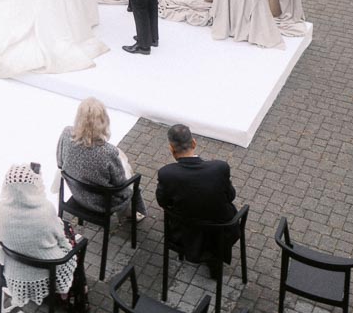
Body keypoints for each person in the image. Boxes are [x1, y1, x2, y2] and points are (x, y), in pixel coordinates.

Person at [155, 123, 238, 273]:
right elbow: (230, 196)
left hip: (184, 229)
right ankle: (215, 264)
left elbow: (163, 202)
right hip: (220, 230)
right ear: (194, 143)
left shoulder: (166, 174)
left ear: (171, 149)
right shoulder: (219, 168)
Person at [0, 163, 77, 312]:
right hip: (48, 268)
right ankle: (72, 292)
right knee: (74, 241)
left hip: (15, 268)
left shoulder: (1, 209)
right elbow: (60, 239)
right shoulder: (45, 210)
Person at [56, 97, 137, 216]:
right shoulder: (108, 151)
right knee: (133, 182)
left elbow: (60, 162)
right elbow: (120, 185)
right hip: (103, 204)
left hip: (77, 193)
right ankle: (132, 214)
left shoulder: (66, 133)